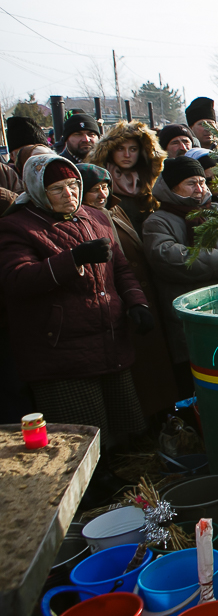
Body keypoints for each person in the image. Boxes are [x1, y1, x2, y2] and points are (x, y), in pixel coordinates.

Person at [0, 154, 155, 452]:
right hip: (60, 348)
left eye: (73, 185)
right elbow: (17, 279)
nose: (69, 194)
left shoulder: (95, 217)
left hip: (108, 337)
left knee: (120, 423)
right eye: (57, 189)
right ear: (36, 190)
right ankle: (93, 486)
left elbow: (120, 268)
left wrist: (137, 303)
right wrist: (73, 259)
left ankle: (119, 477)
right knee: (80, 434)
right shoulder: (17, 226)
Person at [76, 164, 182, 420]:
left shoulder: (115, 210)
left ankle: (164, 418)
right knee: (140, 368)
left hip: (140, 296)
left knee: (156, 364)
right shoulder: (84, 220)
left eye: (104, 187)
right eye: (93, 190)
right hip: (119, 300)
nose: (101, 194)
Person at [142, 157, 218, 385]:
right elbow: (171, 258)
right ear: (172, 188)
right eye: (191, 183)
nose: (200, 189)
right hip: (190, 317)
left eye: (202, 182)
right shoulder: (158, 222)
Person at [88, 120, 164, 235]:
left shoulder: (152, 180)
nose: (127, 155)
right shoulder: (97, 180)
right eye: (120, 148)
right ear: (110, 150)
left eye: (133, 149)